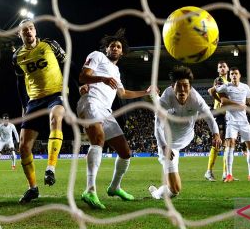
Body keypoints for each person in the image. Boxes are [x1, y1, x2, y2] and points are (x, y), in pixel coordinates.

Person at [77, 28, 154, 209]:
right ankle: (90, 190)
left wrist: (146, 92)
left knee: (125, 153)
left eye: (118, 46)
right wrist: (102, 79)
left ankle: (115, 187)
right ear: (106, 49)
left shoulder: (117, 71)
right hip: (91, 102)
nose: (115, 48)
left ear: (122, 51)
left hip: (106, 110)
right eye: (112, 46)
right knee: (98, 139)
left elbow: (123, 93)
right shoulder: (97, 56)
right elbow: (83, 76)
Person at [13, 19, 67, 204]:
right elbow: (20, 83)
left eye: (30, 28)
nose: (28, 32)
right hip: (34, 101)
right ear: (19, 35)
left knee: (56, 117)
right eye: (24, 30)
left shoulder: (50, 44)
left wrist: (80, 87)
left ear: (35, 30)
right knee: (23, 146)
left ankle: (50, 168)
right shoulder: (17, 57)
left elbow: (68, 65)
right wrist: (23, 106)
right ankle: (32, 188)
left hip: (55, 94)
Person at [149, 66, 221, 199]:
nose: (182, 89)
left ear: (190, 87)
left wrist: (216, 134)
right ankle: (156, 193)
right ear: (172, 86)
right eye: (179, 86)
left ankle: (154, 96)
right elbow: (157, 126)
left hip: (186, 138)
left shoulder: (196, 98)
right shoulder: (167, 97)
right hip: (168, 142)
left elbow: (210, 117)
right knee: (175, 190)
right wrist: (164, 146)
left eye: (185, 86)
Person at [212, 66, 250, 182]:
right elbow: (212, 91)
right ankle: (229, 175)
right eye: (232, 73)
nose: (233, 75)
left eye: (235, 73)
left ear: (239, 75)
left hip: (244, 121)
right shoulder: (226, 86)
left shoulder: (245, 87)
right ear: (230, 76)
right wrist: (219, 100)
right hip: (231, 121)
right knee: (230, 144)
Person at [205, 61, 229, 182]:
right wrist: (220, 102)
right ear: (218, 70)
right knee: (218, 143)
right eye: (220, 67)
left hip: (227, 114)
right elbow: (212, 91)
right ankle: (209, 171)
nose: (222, 68)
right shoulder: (219, 80)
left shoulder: (228, 82)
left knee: (226, 144)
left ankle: (226, 173)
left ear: (228, 68)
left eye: (224, 66)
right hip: (219, 113)